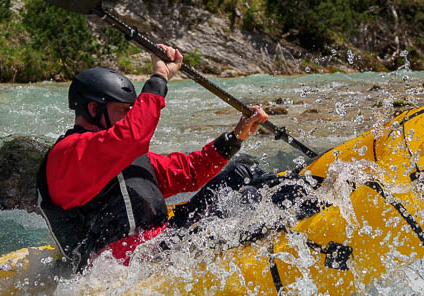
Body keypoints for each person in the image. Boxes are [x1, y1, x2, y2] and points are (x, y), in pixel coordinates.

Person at [36, 44, 271, 271]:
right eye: (122, 111)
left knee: (241, 174)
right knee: (246, 200)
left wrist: (235, 137)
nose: (128, 117)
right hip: (119, 266)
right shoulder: (67, 154)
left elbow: (188, 173)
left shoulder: (118, 152)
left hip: (155, 246)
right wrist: (159, 77)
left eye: (131, 111)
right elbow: (133, 135)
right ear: (94, 110)